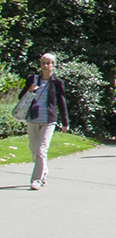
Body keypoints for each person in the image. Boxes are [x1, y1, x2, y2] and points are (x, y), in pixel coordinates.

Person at [19, 52, 69, 189]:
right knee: (34, 150)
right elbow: (20, 97)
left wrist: (65, 122)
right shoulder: (32, 79)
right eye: (43, 63)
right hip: (32, 119)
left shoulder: (57, 83)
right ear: (40, 65)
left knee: (41, 150)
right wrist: (29, 90)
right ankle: (43, 171)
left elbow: (61, 102)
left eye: (49, 63)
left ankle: (36, 180)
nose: (46, 66)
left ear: (54, 66)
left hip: (48, 120)